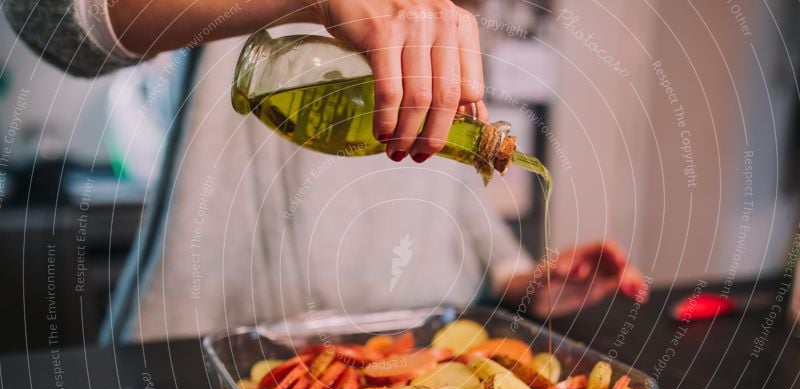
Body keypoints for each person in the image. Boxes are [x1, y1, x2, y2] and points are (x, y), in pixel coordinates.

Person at [4, 0, 647, 342]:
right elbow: (55, 20)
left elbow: (440, 190)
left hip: (396, 371)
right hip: (200, 362)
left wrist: (522, 280)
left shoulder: (451, 21)